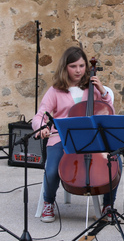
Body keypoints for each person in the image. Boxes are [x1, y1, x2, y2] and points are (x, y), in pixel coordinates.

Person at [32, 46, 118, 222]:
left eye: (81, 66)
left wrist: (103, 91)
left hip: (91, 138)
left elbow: (109, 111)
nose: (78, 70)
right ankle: (48, 202)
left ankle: (108, 205)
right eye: (73, 66)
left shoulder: (92, 88)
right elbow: (40, 115)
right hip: (62, 137)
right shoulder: (55, 91)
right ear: (65, 67)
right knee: (52, 170)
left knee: (115, 163)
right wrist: (41, 128)